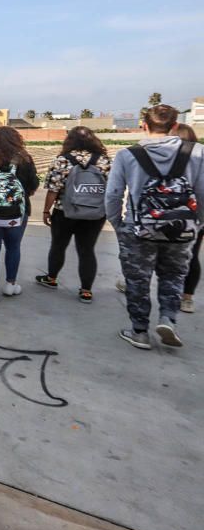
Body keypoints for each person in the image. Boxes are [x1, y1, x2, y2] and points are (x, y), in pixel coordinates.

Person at [107, 105, 204, 350]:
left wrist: (117, 222)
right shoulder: (197, 153)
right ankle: (168, 320)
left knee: (137, 280)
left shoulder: (128, 155)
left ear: (144, 126)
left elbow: (114, 194)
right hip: (182, 227)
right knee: (173, 275)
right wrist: (197, 223)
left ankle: (139, 331)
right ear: (175, 126)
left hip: (138, 227)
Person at [35, 127, 111, 303]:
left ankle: (51, 278)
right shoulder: (104, 161)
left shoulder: (62, 160)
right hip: (94, 214)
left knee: (58, 246)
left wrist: (46, 211)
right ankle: (86, 291)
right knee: (87, 250)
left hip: (65, 212)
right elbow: (111, 189)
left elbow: (53, 190)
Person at [0, 126, 39, 302]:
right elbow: (33, 185)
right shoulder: (25, 160)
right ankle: (11, 285)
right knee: (13, 247)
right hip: (18, 213)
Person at [172, 124, 202, 313]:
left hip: (165, 212)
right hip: (195, 214)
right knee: (192, 256)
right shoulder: (200, 156)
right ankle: (187, 299)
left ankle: (134, 284)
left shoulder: (165, 155)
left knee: (151, 252)